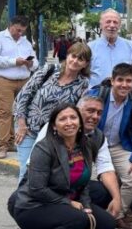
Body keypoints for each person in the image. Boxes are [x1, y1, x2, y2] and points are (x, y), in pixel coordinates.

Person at [11, 104, 115, 229]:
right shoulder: (44, 148)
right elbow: (37, 189)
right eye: (62, 119)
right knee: (78, 219)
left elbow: (84, 183)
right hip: (33, 207)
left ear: (79, 122)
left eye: (73, 118)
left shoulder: (85, 145)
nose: (69, 123)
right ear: (54, 125)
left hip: (64, 205)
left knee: (106, 224)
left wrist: (86, 205)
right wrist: (69, 203)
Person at [14, 42, 91, 180]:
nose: (75, 61)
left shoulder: (83, 84)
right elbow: (23, 96)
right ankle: (22, 195)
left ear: (85, 64)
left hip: (53, 136)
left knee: (48, 175)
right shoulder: (49, 70)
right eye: (73, 56)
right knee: (27, 172)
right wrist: (21, 124)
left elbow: (76, 112)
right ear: (67, 56)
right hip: (29, 130)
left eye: (80, 59)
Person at [86, 63, 132, 229]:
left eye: (128, 81)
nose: (124, 85)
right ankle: (90, 215)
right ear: (112, 81)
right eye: (120, 80)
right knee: (90, 181)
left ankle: (117, 214)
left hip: (118, 145)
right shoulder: (96, 95)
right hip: (93, 145)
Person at [0, 15, 38, 159]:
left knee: (24, 112)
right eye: (18, 30)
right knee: (5, 112)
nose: (20, 33)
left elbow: (35, 62)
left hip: (24, 80)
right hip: (3, 80)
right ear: (10, 26)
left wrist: (30, 63)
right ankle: (2, 146)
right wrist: (14, 62)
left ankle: (12, 142)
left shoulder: (25, 42)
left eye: (23, 31)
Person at [88, 8, 132, 87]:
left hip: (123, 92)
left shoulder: (131, 47)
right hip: (96, 93)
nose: (112, 25)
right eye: (108, 22)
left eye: (115, 22)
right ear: (100, 25)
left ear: (120, 25)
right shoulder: (90, 48)